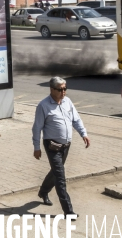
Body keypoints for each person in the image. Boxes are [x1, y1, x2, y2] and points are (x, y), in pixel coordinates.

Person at [32, 77, 90, 219]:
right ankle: (68, 211)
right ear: (52, 89)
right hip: (52, 145)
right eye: (60, 89)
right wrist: (36, 147)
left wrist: (84, 133)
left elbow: (76, 119)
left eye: (65, 89)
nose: (63, 92)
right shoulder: (43, 106)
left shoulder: (67, 102)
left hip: (66, 145)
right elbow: (36, 128)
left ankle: (43, 191)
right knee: (60, 177)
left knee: (56, 171)